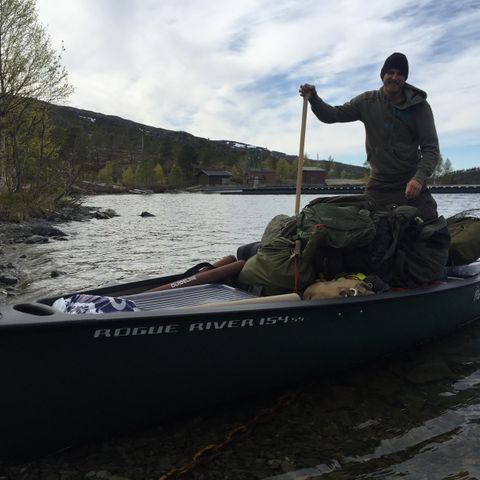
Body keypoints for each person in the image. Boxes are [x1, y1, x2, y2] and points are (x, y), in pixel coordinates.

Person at [299, 52, 440, 220]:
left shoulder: (419, 107)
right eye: (391, 72)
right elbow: (333, 115)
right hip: (379, 184)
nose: (395, 77)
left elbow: (431, 149)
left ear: (405, 78)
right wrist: (314, 99)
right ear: (383, 75)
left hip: (410, 183)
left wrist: (419, 178)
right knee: (368, 229)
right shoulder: (367, 102)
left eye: (400, 74)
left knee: (430, 226)